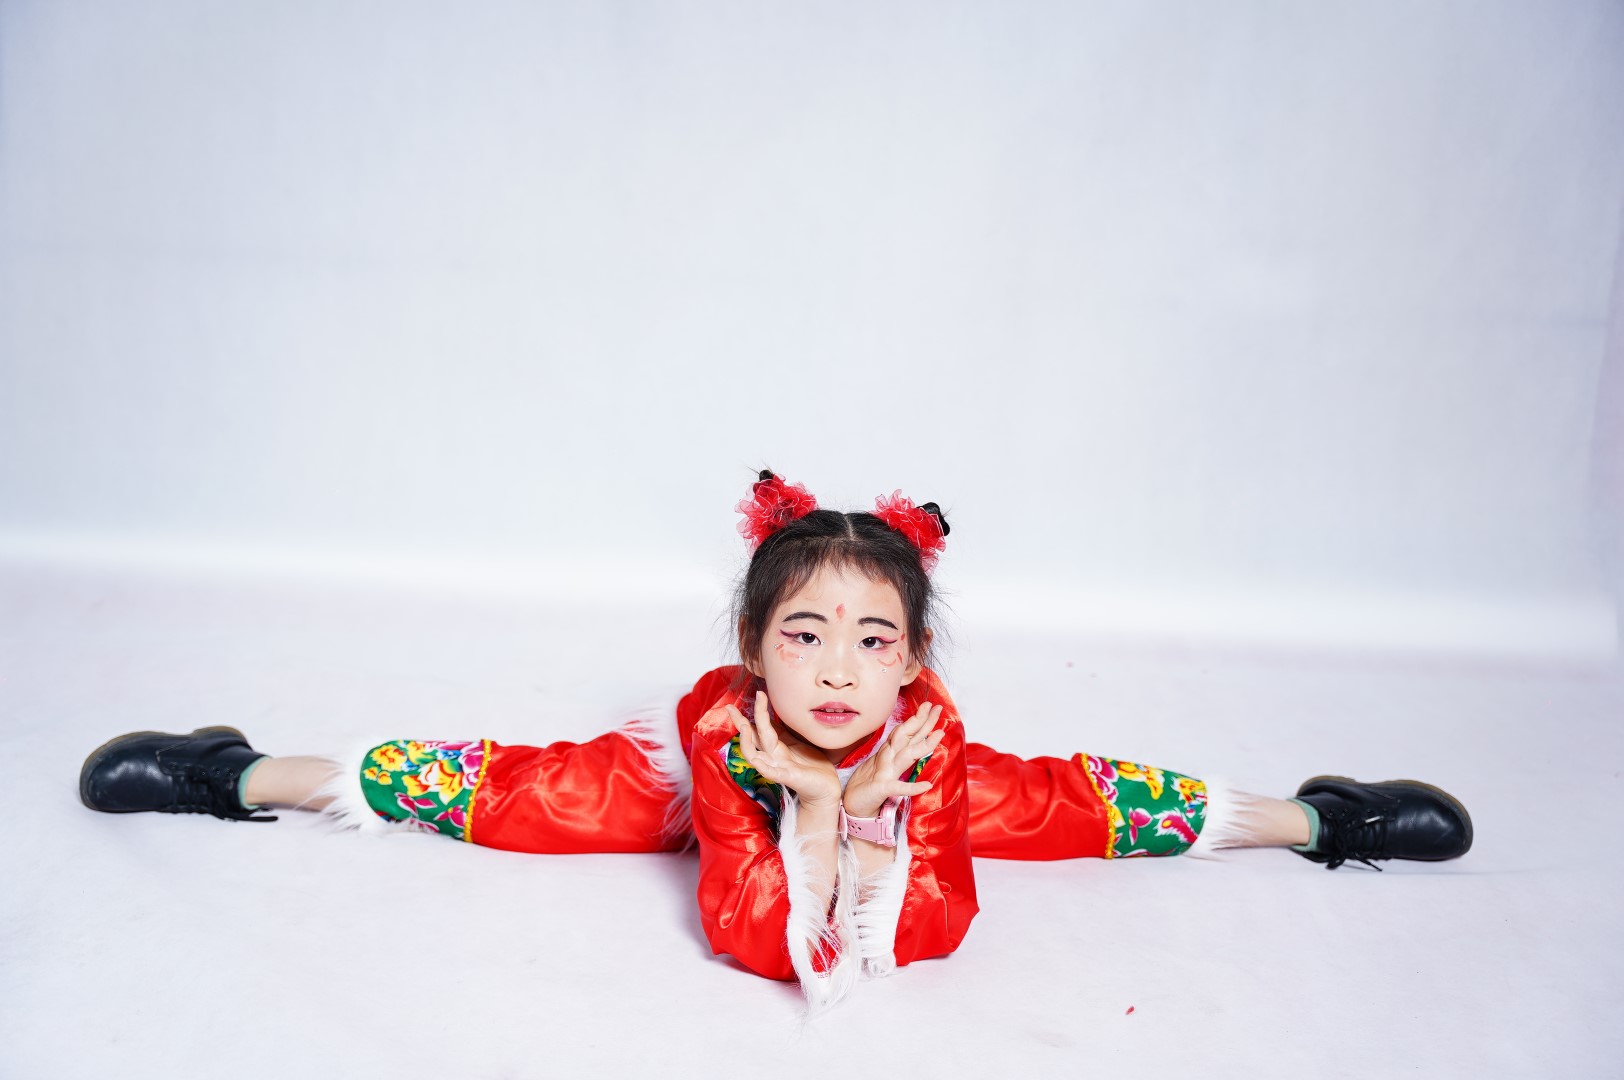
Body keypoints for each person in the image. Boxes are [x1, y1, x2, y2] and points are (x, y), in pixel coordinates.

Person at [78, 471, 1473, 1013]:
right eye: (803, 635)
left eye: (873, 640)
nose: (838, 670)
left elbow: (925, 928)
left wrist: (861, 806)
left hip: (886, 796)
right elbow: (753, 935)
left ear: (913, 662)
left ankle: (1316, 817)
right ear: (755, 648)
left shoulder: (927, 732)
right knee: (517, 797)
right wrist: (797, 797)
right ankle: (237, 771)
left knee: (1067, 805)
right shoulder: (718, 716)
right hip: (705, 786)